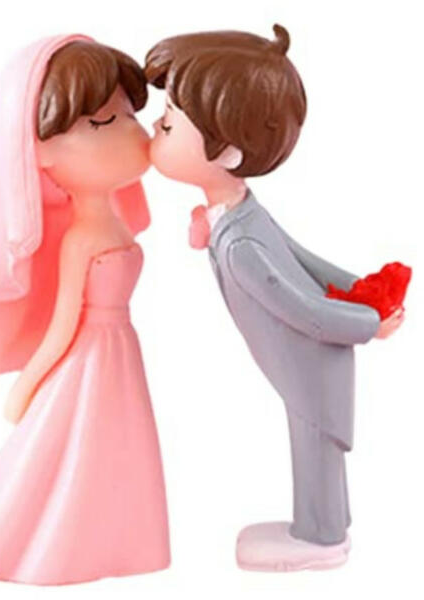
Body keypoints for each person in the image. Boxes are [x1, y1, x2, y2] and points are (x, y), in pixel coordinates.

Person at [145, 24, 403, 571]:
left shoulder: (242, 244)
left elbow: (303, 309)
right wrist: (361, 289)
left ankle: (321, 539)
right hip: (307, 356)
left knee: (313, 442)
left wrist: (367, 321)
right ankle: (329, 525)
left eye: (167, 123)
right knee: (315, 443)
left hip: (310, 359)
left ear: (227, 151)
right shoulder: (241, 212)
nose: (154, 128)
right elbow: (304, 258)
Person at [0, 35, 170, 585]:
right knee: (77, 448)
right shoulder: (80, 239)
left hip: (121, 352)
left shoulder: (112, 221)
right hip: (91, 356)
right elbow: (64, 324)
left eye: (129, 115)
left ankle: (118, 540)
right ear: (40, 153)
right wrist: (27, 385)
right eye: (103, 122)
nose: (134, 133)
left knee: (118, 449)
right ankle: (60, 544)